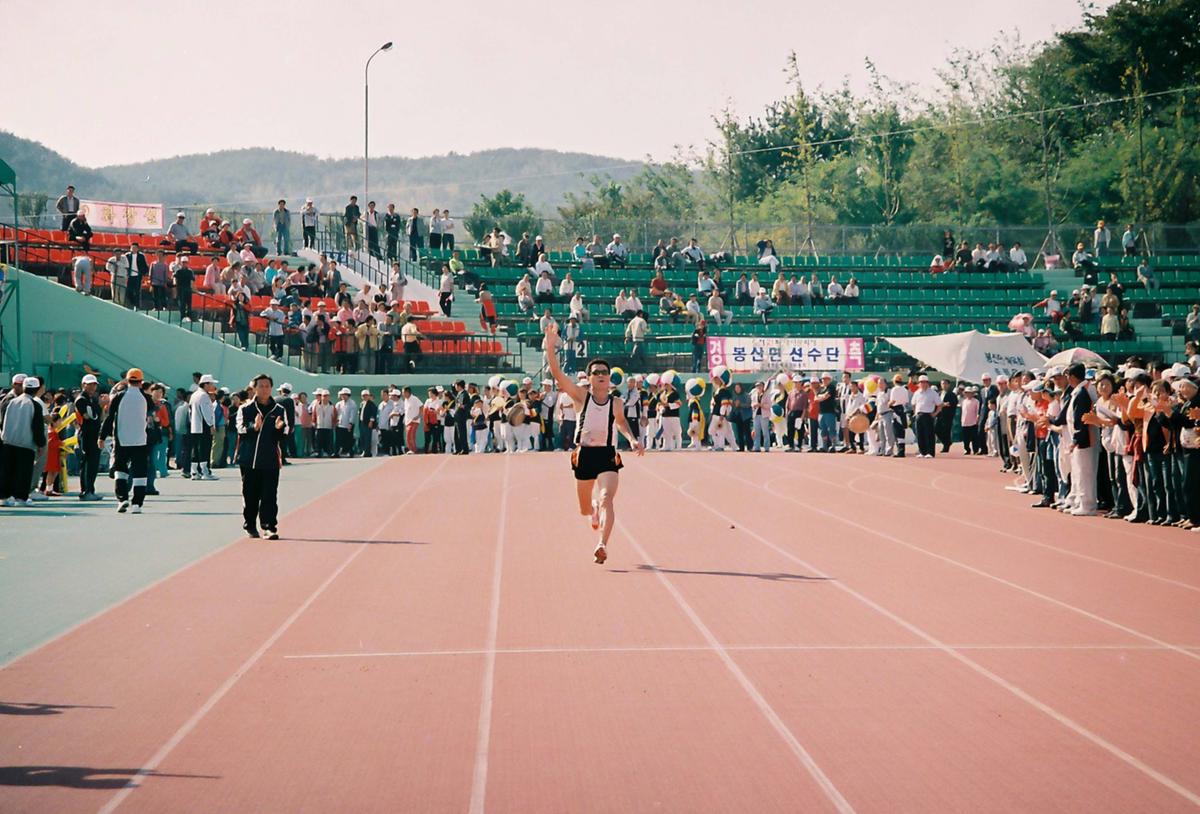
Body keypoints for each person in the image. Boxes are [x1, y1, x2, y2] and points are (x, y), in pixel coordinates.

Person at [543, 322, 644, 564]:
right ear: (589, 377)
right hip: (584, 455)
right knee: (585, 509)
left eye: (604, 372)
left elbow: (620, 422)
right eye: (596, 372)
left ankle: (602, 544)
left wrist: (631, 439)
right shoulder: (580, 396)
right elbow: (557, 374)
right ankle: (594, 509)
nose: (600, 375)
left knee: (608, 497)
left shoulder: (617, 403)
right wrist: (550, 346)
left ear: (610, 378)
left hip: (608, 455)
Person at [236, 373, 289, 539]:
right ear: (254, 388)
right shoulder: (245, 409)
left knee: (269, 495)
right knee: (250, 495)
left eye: (267, 386)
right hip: (249, 460)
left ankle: (269, 526)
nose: (265, 389)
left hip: (270, 460)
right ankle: (250, 524)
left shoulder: (279, 410)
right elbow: (240, 428)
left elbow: (285, 432)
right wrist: (254, 427)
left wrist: (279, 428)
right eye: (261, 386)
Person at [99, 369, 153, 514]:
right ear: (141, 382)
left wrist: (102, 437)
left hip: (121, 440)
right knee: (140, 473)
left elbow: (109, 418)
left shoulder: (118, 396)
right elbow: (152, 409)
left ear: (127, 381)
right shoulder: (146, 398)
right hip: (140, 440)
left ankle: (122, 499)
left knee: (120, 471)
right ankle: (137, 504)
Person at [0, 377, 45, 507]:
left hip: (8, 441)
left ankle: (3, 497)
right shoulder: (34, 404)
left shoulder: (10, 401)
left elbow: (2, 422)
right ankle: (21, 498)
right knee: (24, 472)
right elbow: (37, 427)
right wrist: (40, 444)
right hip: (26, 443)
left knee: (7, 471)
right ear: (36, 390)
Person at [74, 374, 103, 500]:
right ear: (83, 385)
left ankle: (90, 489)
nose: (92, 387)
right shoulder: (81, 399)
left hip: (94, 434)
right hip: (86, 434)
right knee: (87, 462)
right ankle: (86, 491)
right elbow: (89, 416)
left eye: (94, 384)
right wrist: (99, 406)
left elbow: (98, 416)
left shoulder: (92, 399)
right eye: (89, 384)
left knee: (93, 463)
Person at [189, 374, 219, 480]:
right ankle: (205, 472)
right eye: (211, 383)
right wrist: (210, 425)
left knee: (195, 449)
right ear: (205, 384)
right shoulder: (204, 396)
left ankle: (194, 472)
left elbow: (190, 411)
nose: (212, 386)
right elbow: (206, 412)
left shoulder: (194, 395)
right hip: (203, 426)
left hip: (194, 426)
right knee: (204, 449)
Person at [910, 375, 943, 458]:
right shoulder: (917, 392)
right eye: (921, 382)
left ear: (927, 383)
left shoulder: (932, 393)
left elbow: (939, 405)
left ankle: (930, 452)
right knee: (919, 434)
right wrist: (915, 413)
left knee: (929, 434)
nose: (923, 384)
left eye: (924, 382)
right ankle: (922, 452)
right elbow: (913, 404)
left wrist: (935, 413)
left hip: (928, 415)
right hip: (919, 415)